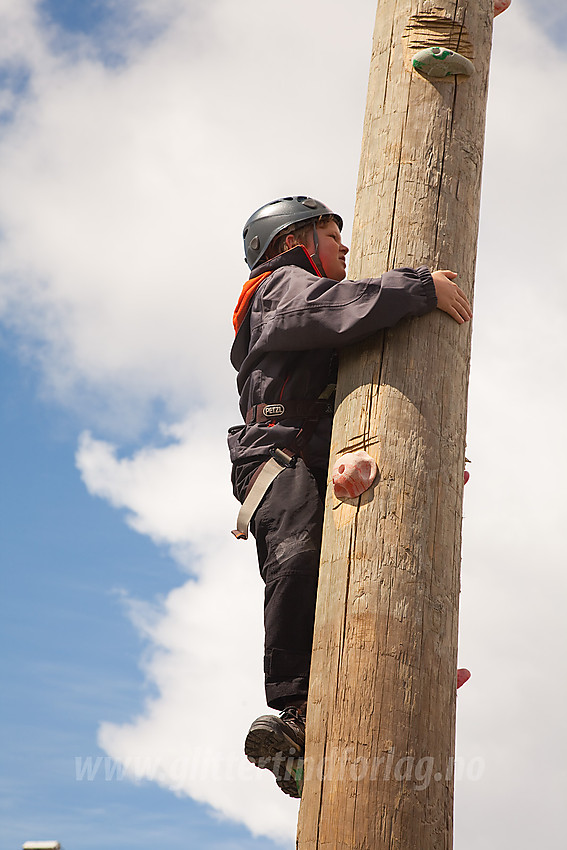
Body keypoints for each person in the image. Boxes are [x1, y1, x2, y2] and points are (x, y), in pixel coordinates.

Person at [228, 196, 472, 797]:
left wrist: (429, 459)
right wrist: (419, 288)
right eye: (330, 234)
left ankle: (334, 721)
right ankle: (296, 709)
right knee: (299, 556)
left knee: (372, 572)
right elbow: (330, 308)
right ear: (294, 241)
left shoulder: (313, 317)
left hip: (315, 460)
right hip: (277, 462)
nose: (343, 246)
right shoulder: (277, 287)